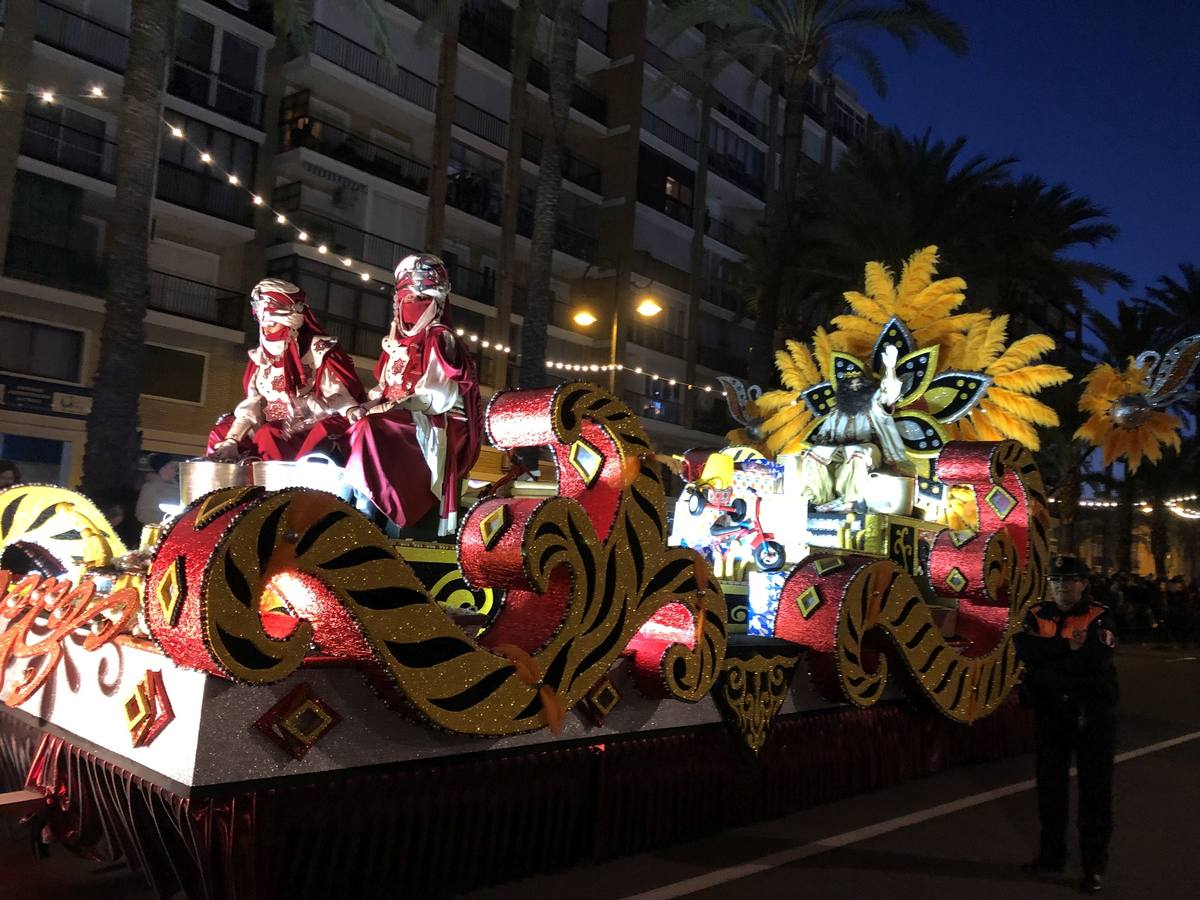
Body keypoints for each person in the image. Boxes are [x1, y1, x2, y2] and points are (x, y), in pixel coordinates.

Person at [343, 254, 482, 537]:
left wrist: (386, 409)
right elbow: (383, 388)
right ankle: (349, 499)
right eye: (407, 299)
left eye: (420, 300)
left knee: (370, 429)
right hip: (397, 415)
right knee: (346, 428)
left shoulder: (440, 338)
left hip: (430, 419)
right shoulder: (394, 344)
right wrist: (364, 406)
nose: (412, 306)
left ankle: (370, 510)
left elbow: (435, 396)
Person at [1015, 555, 1119, 894]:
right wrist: (1066, 648)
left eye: (1070, 580)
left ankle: (1094, 866)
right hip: (1052, 716)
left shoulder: (1099, 615)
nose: (1062, 586)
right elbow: (1024, 651)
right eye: (1056, 580)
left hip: (1093, 717)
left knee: (1095, 794)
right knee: (1050, 790)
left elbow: (1094, 661)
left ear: (1084, 584)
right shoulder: (1037, 613)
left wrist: (1049, 658)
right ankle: (1051, 856)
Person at [207, 278, 366, 461]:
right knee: (221, 431)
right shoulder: (258, 359)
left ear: (291, 322)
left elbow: (343, 399)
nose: (266, 331)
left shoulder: (319, 351)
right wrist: (231, 440)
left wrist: (314, 407)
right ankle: (221, 484)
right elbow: (252, 406)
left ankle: (269, 487)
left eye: (272, 325)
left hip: (306, 428)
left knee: (269, 434)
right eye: (263, 325)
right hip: (265, 424)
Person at [135, 454, 180, 525]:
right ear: (162, 469)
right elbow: (142, 514)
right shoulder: (150, 487)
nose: (175, 469)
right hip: (158, 531)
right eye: (172, 466)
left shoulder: (178, 487)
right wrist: (170, 518)